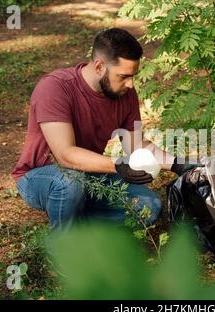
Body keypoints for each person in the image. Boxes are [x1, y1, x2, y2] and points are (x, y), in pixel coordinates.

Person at [11, 28, 199, 232]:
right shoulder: (55, 88)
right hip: (40, 177)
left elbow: (137, 146)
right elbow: (65, 155)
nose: (130, 83)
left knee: (149, 206)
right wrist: (119, 166)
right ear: (99, 66)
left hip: (88, 174)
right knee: (69, 183)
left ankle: (83, 224)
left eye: (133, 76)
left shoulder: (124, 93)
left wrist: (177, 164)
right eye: (124, 76)